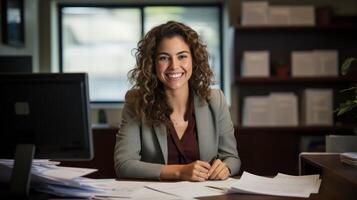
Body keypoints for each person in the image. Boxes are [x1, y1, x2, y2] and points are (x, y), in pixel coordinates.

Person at [114, 21, 240, 182]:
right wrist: (179, 172)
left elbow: (232, 158)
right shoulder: (136, 102)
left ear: (194, 60)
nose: (174, 66)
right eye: (164, 58)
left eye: (182, 56)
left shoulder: (216, 100)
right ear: (152, 64)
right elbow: (123, 165)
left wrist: (225, 168)